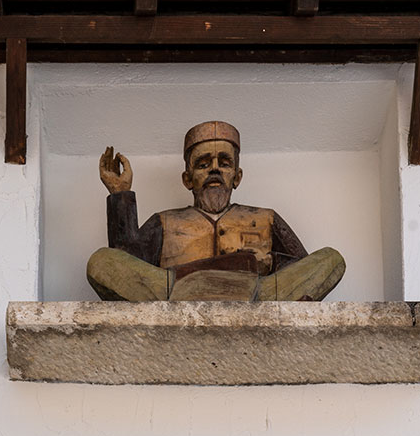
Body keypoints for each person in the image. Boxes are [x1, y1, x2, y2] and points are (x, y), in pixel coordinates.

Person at [87, 120, 345, 302]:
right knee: (100, 261)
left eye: (224, 163)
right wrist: (119, 194)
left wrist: (269, 263)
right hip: (175, 291)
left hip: (257, 293)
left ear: (237, 176)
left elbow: (301, 268)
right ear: (188, 179)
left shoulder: (265, 218)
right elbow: (122, 262)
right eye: (203, 164)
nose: (214, 170)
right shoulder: (165, 221)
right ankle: (181, 292)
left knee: (330, 258)